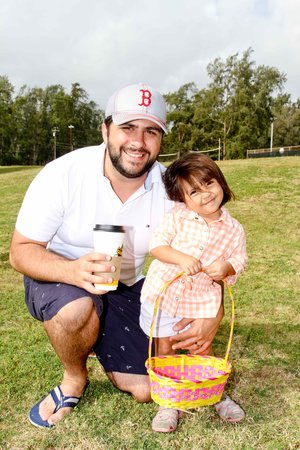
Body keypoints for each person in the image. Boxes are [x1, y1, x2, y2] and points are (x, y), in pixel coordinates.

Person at [10, 83, 225, 429]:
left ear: (161, 139)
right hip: (60, 275)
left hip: (126, 283)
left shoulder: (170, 189)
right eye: (128, 128)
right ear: (105, 129)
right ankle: (73, 379)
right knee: (76, 308)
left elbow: (208, 256)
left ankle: (98, 333)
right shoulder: (63, 173)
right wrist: (72, 271)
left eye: (151, 131)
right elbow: (20, 252)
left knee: (144, 388)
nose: (138, 142)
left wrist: (214, 313)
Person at [140, 152, 247, 432]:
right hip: (165, 294)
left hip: (201, 298)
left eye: (209, 184)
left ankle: (215, 394)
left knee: (202, 347)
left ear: (220, 182)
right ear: (183, 199)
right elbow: (157, 245)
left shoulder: (234, 229)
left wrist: (226, 266)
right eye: (194, 192)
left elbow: (239, 260)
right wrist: (180, 258)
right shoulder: (178, 217)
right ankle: (169, 402)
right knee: (166, 348)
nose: (205, 195)